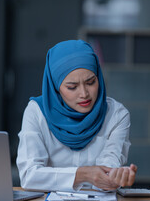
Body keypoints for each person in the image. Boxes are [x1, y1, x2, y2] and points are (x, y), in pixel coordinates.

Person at [16, 40, 137, 192]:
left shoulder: (116, 115)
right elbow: (29, 176)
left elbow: (108, 171)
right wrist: (83, 174)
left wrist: (114, 177)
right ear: (55, 87)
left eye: (91, 82)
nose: (84, 94)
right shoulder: (37, 112)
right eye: (72, 87)